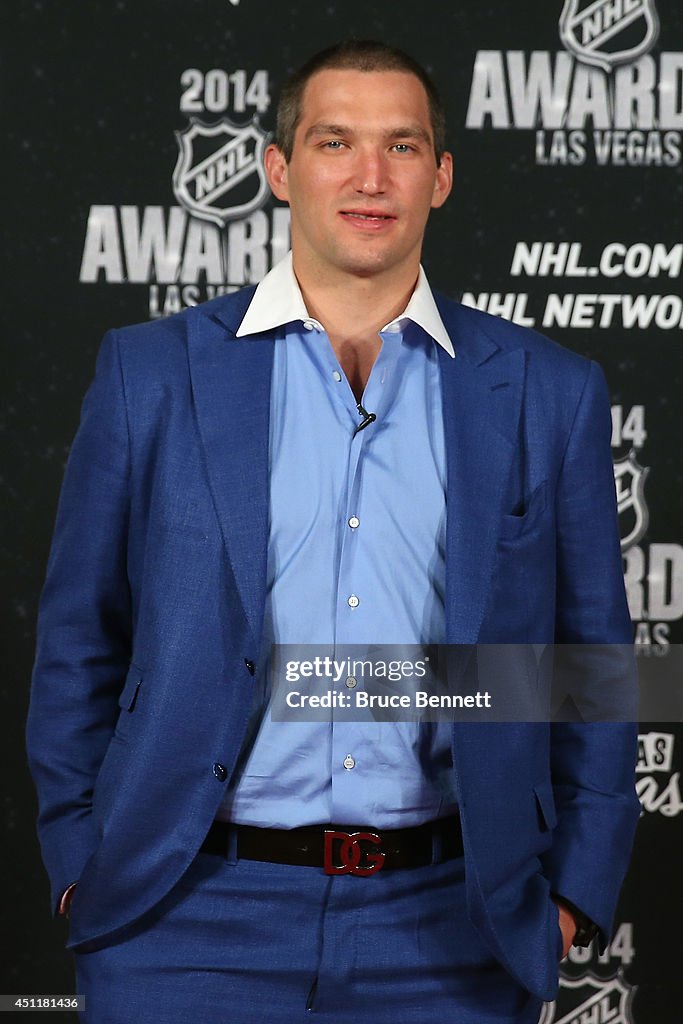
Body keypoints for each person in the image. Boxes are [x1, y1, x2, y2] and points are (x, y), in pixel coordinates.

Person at [27, 39, 640, 1024]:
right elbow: (78, 639)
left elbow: (590, 663)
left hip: (451, 925)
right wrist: (76, 857)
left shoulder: (546, 390)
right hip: (183, 918)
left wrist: (570, 892)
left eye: (401, 146)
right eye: (334, 141)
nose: (368, 175)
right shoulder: (150, 372)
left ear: (439, 177)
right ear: (278, 171)